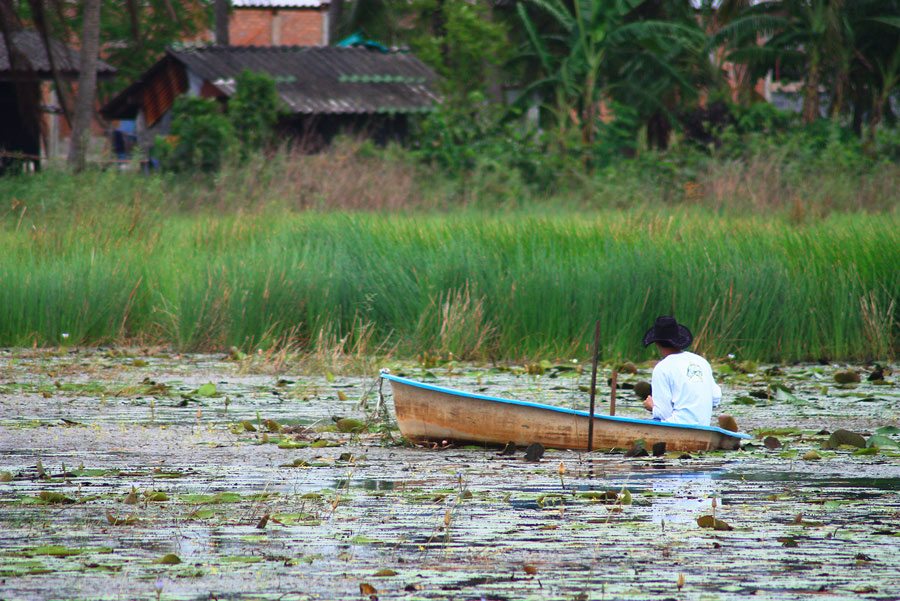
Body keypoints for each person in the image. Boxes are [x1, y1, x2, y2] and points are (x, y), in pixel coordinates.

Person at [641, 316, 721, 426]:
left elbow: (663, 413)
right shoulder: (700, 361)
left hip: (677, 428)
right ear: (679, 338)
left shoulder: (662, 368)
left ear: (656, 343)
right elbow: (716, 398)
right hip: (703, 427)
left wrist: (652, 407)